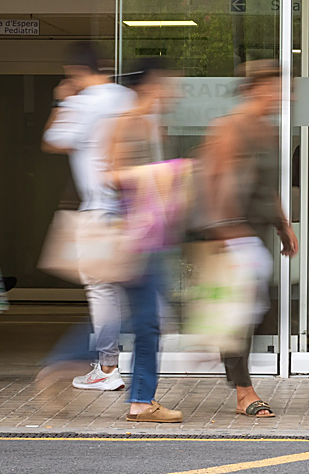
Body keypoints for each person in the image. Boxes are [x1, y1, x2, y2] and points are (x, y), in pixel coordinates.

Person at [202, 60, 298, 419]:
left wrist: (283, 225)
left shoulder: (266, 131)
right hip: (233, 233)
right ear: (258, 89)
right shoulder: (229, 128)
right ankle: (244, 391)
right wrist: (226, 233)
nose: (284, 96)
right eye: (278, 88)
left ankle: (222, 350)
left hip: (255, 233)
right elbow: (213, 179)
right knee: (245, 312)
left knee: (256, 311)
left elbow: (267, 185)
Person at [41, 42, 135, 394]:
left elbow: (53, 140)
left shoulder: (82, 102)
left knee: (101, 289)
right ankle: (115, 363)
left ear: (77, 72)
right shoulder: (125, 97)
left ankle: (108, 366)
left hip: (99, 210)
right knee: (122, 288)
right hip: (130, 208)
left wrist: (61, 99)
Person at [101, 58, 183, 423]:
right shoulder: (130, 122)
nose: (174, 91)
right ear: (151, 85)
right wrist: (162, 174)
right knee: (147, 320)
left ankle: (141, 399)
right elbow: (112, 174)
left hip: (150, 235)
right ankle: (141, 401)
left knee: (144, 319)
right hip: (136, 236)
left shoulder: (151, 125)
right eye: (169, 83)